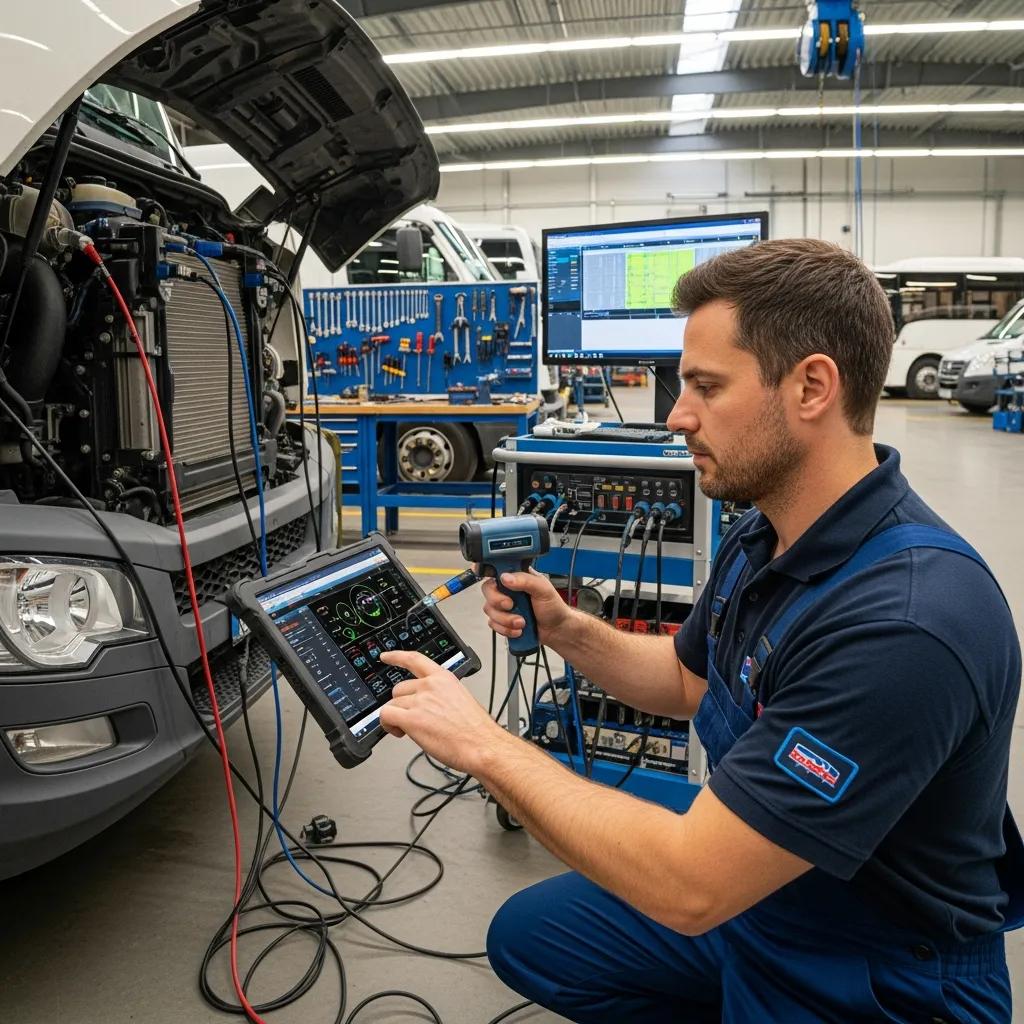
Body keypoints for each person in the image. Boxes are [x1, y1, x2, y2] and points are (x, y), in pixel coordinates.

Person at [380, 238, 1022, 1023]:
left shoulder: (908, 622)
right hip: (770, 895)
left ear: (812, 387)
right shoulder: (768, 533)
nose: (678, 416)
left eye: (705, 387)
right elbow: (689, 682)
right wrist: (566, 628)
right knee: (531, 936)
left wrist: (482, 744)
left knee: (679, 890)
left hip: (879, 967)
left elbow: (690, 886)